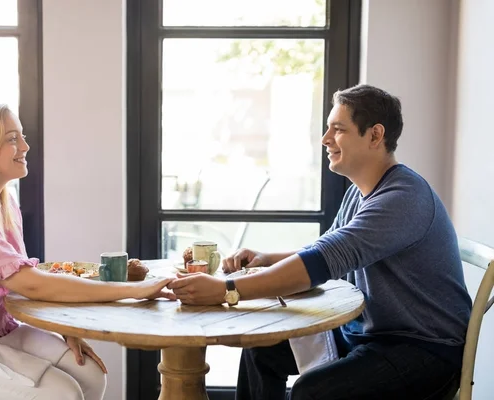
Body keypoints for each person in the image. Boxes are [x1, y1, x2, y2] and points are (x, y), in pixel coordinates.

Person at [168, 84, 472, 400]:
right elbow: (327, 249)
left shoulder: (402, 199)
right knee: (261, 350)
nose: (325, 139)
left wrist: (225, 290)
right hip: (369, 335)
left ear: (374, 135)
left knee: (312, 393)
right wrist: (266, 257)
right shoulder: (361, 190)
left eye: (338, 130)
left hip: (423, 350)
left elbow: (321, 262)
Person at [0, 103, 176, 400]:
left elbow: (24, 280)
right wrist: (134, 290)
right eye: (12, 138)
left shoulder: (3, 201)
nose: (26, 146)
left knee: (90, 374)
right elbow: (30, 283)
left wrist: (67, 327)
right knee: (61, 394)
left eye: (22, 136)